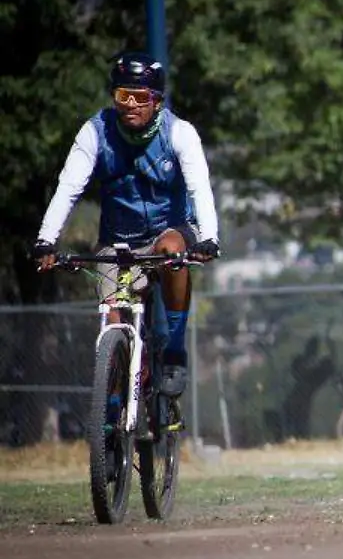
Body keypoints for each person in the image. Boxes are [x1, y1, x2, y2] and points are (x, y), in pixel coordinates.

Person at [32, 51, 220, 425]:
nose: (130, 105)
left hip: (169, 230)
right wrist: (46, 241)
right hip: (118, 244)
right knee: (114, 319)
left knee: (172, 251)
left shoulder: (180, 133)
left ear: (157, 101)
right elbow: (68, 188)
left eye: (141, 97)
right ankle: (114, 409)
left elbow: (200, 188)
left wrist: (209, 238)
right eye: (122, 96)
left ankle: (174, 352)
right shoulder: (95, 132)